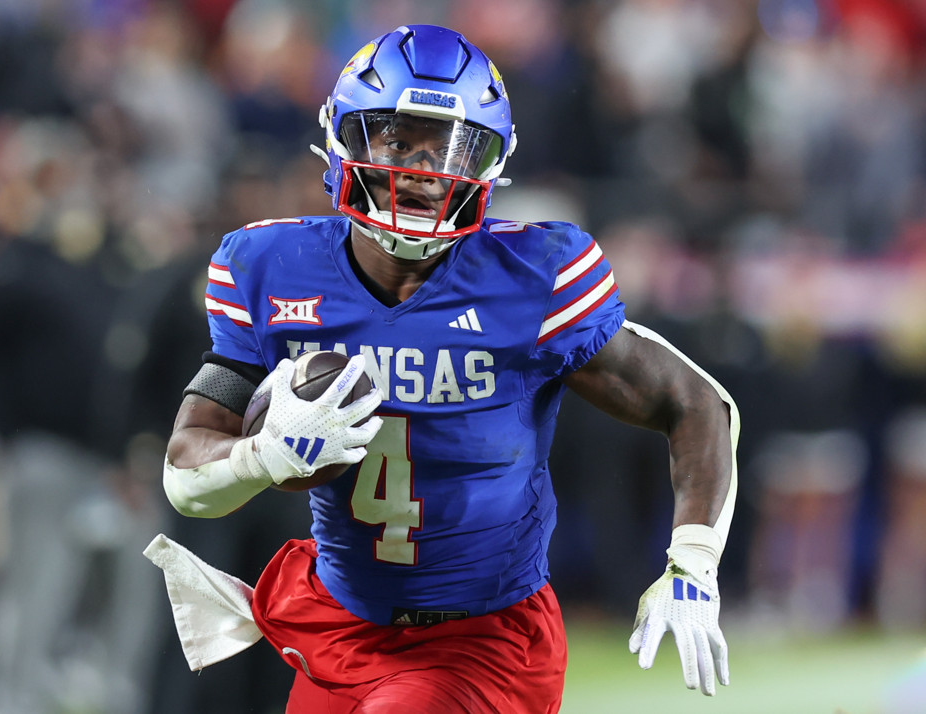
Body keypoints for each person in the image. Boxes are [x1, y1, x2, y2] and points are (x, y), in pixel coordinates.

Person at [154, 24, 739, 713]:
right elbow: (186, 477)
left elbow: (694, 402)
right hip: (343, 626)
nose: (425, 171)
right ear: (345, 138)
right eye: (399, 140)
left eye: (451, 146)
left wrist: (694, 562)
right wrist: (261, 457)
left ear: (490, 162)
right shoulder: (269, 269)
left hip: (485, 642)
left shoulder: (533, 276)